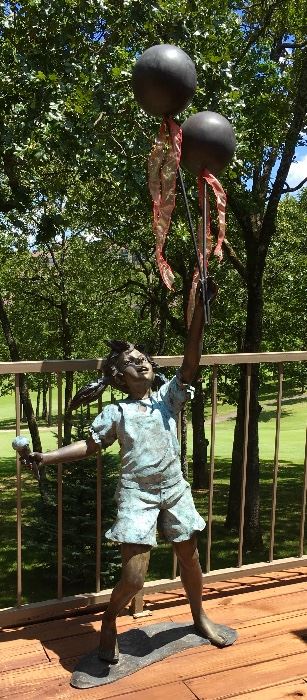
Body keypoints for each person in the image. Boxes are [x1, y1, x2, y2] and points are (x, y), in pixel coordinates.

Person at [25, 279, 236, 664]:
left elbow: (190, 363)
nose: (141, 362)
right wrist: (46, 457)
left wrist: (199, 316)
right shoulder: (116, 412)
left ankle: (199, 615)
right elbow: (91, 444)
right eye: (130, 362)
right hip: (137, 494)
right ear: (120, 378)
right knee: (135, 577)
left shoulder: (167, 400)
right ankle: (108, 620)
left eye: (143, 358)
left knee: (190, 559)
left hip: (174, 489)